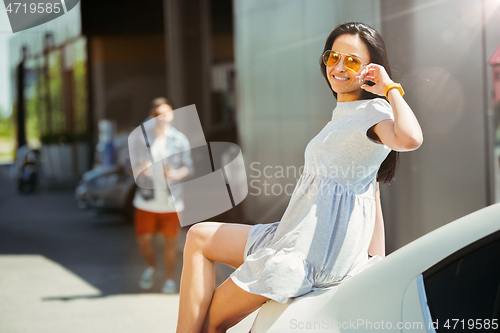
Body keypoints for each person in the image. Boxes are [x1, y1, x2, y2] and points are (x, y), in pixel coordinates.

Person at [176, 22, 423, 332]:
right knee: (198, 236)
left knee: (209, 325)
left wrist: (390, 87)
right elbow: (370, 192)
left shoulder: (374, 112)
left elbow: (410, 139)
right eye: (333, 57)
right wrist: (377, 260)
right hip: (293, 236)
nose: (339, 67)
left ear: (370, 70)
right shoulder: (346, 115)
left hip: (303, 255)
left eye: (352, 61)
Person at [133, 97, 193, 294]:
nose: (162, 118)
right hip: (147, 199)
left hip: (171, 200)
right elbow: (129, 166)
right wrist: (140, 171)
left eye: (166, 113)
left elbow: (188, 168)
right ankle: (152, 267)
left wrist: (176, 174)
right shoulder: (142, 139)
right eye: (158, 114)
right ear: (152, 116)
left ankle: (169, 279)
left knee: (170, 242)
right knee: (144, 240)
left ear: (172, 114)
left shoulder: (179, 140)